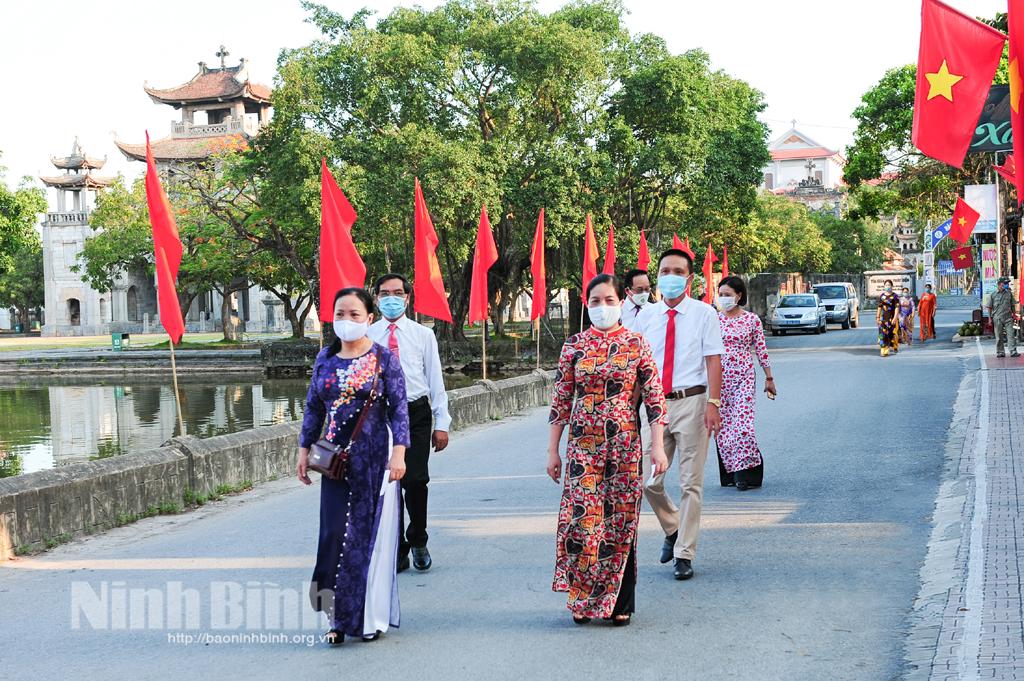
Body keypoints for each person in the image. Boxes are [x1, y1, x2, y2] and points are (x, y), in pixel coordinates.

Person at [547, 273, 668, 625]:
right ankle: (583, 599)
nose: (602, 307)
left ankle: (619, 604)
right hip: (583, 449)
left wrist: (657, 447)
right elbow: (561, 401)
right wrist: (552, 450)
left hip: (625, 449)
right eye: (596, 301)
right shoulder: (573, 346)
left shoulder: (636, 344)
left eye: (609, 300)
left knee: (620, 523)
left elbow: (655, 401)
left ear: (622, 302)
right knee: (582, 523)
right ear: (587, 304)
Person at [298, 287, 410, 645]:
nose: (346, 321)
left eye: (354, 314)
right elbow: (314, 407)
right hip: (334, 462)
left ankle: (363, 617)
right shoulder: (325, 359)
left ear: (369, 319)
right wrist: (303, 449)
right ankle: (334, 616)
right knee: (333, 536)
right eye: (340, 314)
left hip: (373, 459)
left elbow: (399, 408)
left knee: (363, 538)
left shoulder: (383, 360)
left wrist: (399, 454)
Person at [636, 248, 725, 581]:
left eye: (677, 271)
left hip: (693, 402)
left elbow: (714, 359)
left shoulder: (704, 314)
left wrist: (713, 404)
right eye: (664, 270)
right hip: (656, 406)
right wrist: (633, 407)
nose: (669, 276)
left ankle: (684, 553)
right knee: (647, 478)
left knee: (692, 483)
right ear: (657, 276)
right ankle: (672, 527)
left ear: (689, 278)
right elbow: (640, 366)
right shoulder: (646, 317)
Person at [368, 273, 451, 573]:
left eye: (398, 292)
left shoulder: (422, 335)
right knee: (388, 485)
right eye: (385, 293)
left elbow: (435, 381)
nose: (391, 298)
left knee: (415, 479)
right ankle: (396, 549)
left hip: (415, 412)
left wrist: (442, 422)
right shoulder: (369, 336)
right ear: (376, 298)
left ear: (407, 297)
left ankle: (417, 538)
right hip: (380, 416)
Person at [715, 276, 776, 491]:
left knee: (742, 428)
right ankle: (731, 473)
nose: (723, 299)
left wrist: (769, 378)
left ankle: (746, 475)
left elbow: (761, 350)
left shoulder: (751, 320)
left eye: (728, 295)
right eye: (720, 295)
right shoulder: (713, 320)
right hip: (718, 381)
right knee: (723, 430)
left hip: (743, 379)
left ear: (739, 296)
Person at [987, 276, 1019, 358]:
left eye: (1007, 283)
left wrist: (1014, 314)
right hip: (998, 318)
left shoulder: (1009, 293)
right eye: (1005, 283)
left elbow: (1012, 305)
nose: (1007, 285)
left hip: (1008, 317)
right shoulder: (993, 295)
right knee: (999, 336)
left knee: (1011, 334)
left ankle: (1013, 351)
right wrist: (990, 319)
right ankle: (1000, 352)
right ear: (999, 284)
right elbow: (989, 307)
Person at [876, 280, 900, 357]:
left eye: (889, 285)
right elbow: (879, 307)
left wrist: (895, 318)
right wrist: (878, 317)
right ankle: (884, 350)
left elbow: (897, 308)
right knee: (882, 334)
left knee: (892, 334)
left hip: (892, 318)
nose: (887, 286)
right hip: (884, 318)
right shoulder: (882, 296)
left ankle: (895, 346)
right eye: (886, 285)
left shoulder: (895, 296)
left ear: (892, 286)